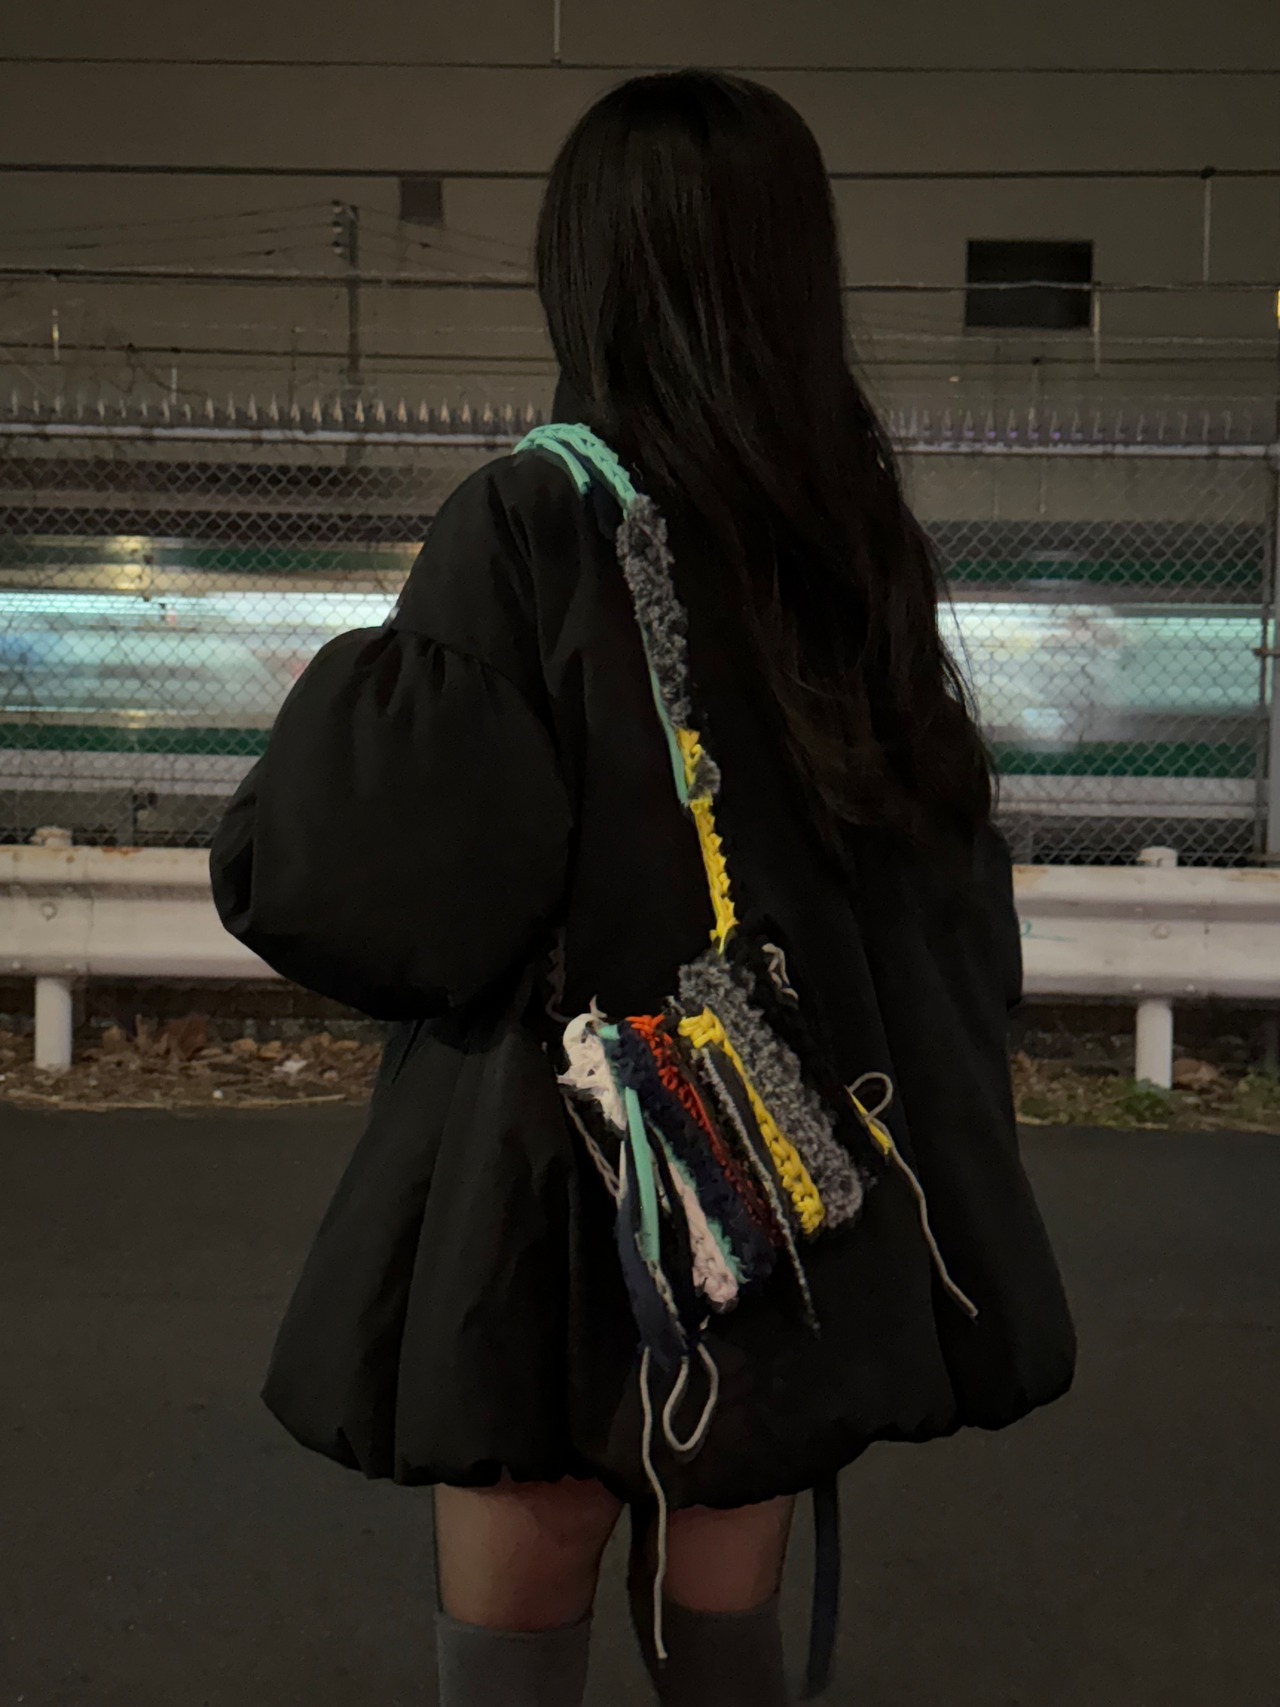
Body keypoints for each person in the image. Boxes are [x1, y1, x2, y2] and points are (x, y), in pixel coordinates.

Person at [210, 69, 1076, 1707]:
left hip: (552, 1184)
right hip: (769, 1178)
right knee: (720, 1610)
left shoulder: (529, 516)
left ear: (588, 270)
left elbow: (395, 898)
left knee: (520, 1605)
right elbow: (941, 903)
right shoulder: (846, 534)